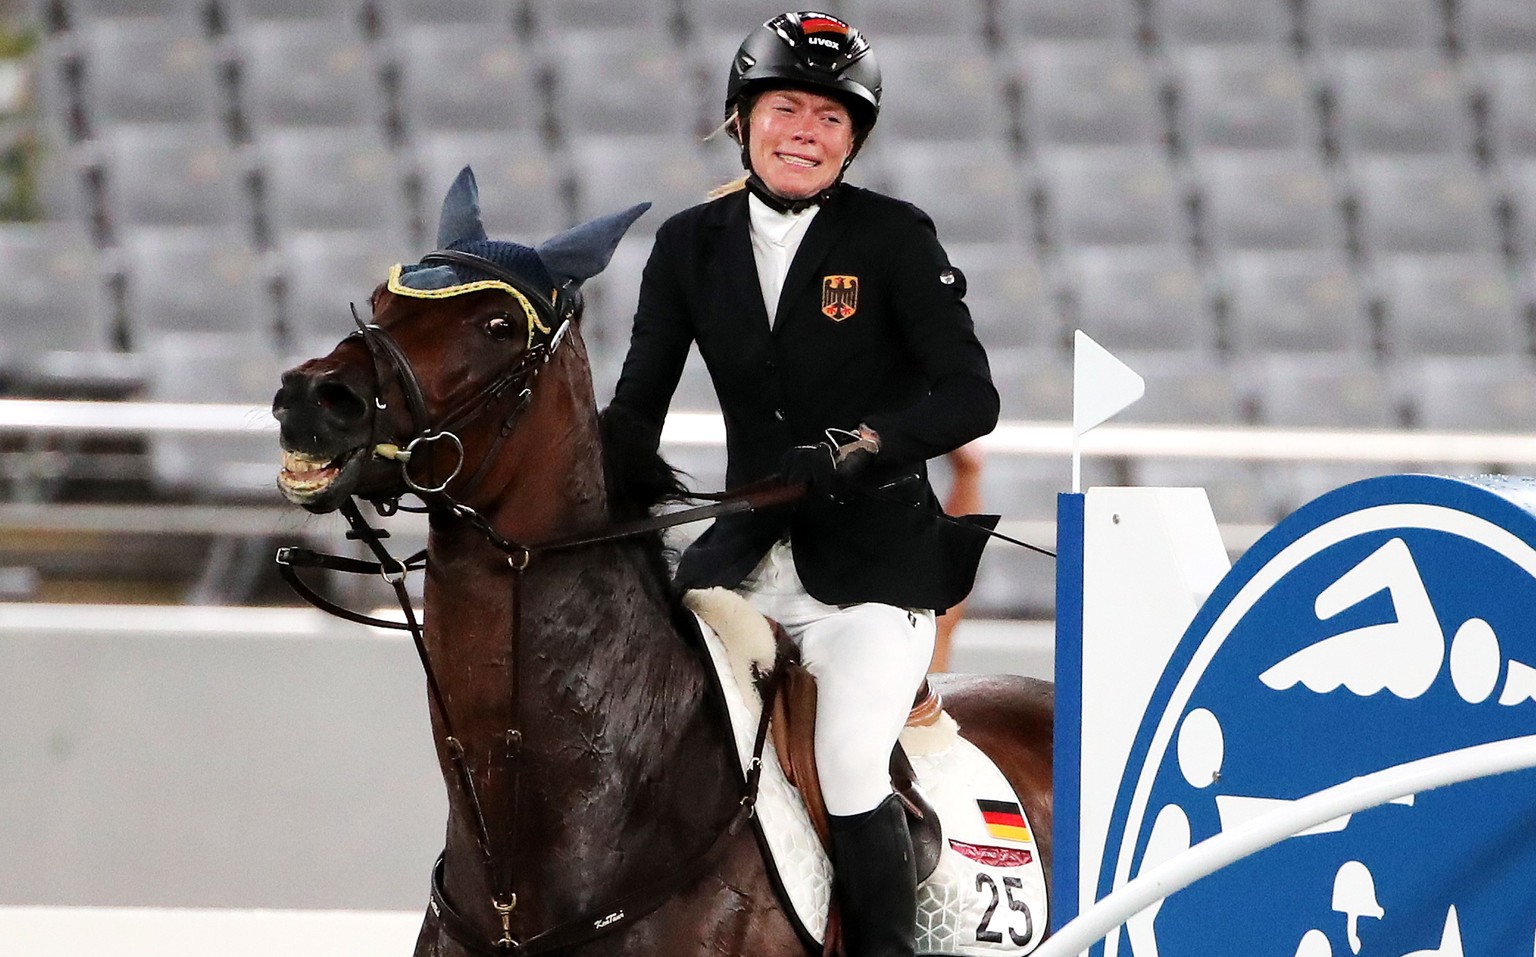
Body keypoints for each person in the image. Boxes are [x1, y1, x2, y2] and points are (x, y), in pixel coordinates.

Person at [606, 12, 999, 957]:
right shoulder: (687, 245)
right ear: (741, 119)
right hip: (740, 557)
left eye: (831, 119)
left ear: (853, 140)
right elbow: (635, 411)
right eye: (787, 108)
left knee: (851, 763)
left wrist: (864, 444)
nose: (806, 133)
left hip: (875, 572)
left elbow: (970, 396)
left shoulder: (896, 237)